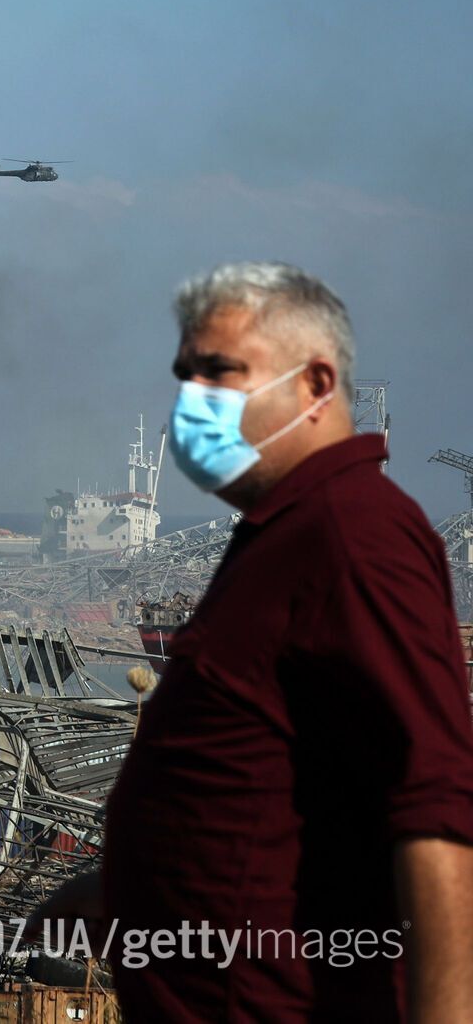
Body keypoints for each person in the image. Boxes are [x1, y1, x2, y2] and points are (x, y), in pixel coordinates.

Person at [37, 262, 473, 1020]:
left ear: (314, 385)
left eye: (222, 376)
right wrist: (125, 895)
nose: (196, 405)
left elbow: (436, 816)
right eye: (187, 380)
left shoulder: (353, 536)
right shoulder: (282, 539)